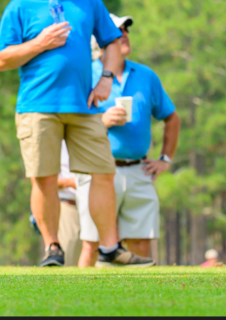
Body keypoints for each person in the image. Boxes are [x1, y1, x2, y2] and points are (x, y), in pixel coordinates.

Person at [0, 0, 152, 268]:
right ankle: (52, 247)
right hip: (37, 107)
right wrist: (39, 44)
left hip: (84, 106)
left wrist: (106, 79)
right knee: (44, 178)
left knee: (103, 171)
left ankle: (109, 247)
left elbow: (110, 42)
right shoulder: (19, 6)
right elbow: (1, 59)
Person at [76, 14, 181, 266]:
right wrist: (102, 120)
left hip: (138, 170)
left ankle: (142, 305)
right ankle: (79, 303)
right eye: (117, 30)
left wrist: (165, 159)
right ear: (100, 42)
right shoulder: (84, 74)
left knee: (141, 245)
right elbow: (72, 124)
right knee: (92, 245)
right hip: (97, 171)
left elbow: (172, 118)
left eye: (126, 29)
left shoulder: (146, 75)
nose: (124, 34)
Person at [57, 143, 81, 267]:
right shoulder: (54, 135)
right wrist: (70, 182)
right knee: (68, 261)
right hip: (69, 205)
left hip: (98, 206)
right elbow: (40, 179)